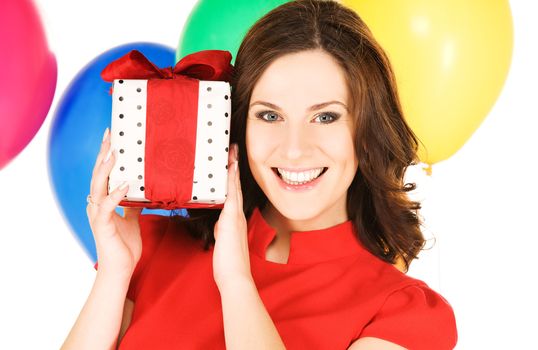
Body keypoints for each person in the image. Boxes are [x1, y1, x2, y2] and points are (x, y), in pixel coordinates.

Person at [61, 0, 457, 349]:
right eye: (270, 115)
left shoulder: (405, 316)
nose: (294, 148)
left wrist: (236, 281)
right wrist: (113, 275)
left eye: (326, 116)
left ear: (367, 130)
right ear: (239, 127)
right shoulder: (151, 249)